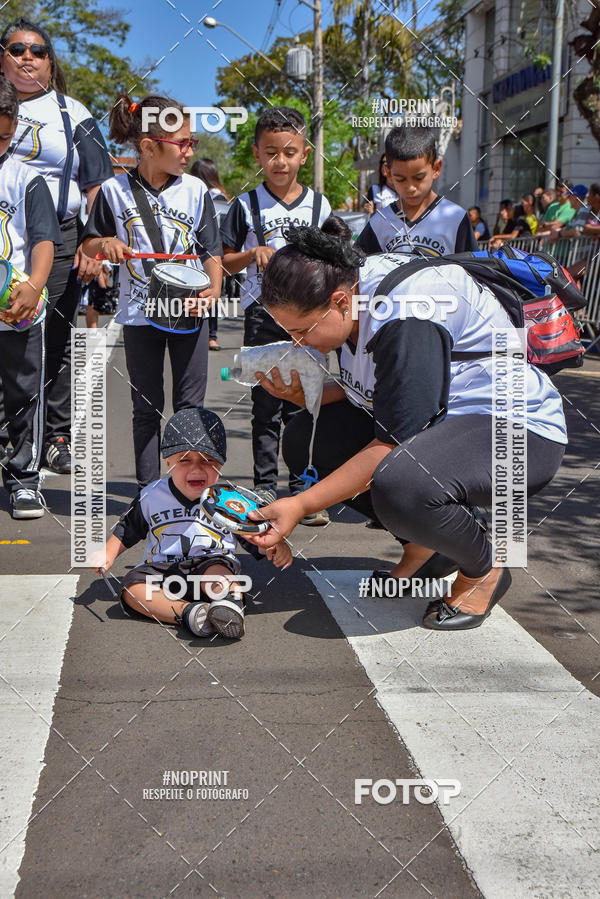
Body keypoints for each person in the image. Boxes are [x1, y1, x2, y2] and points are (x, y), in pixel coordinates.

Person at [243, 217, 567, 631]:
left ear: (340, 302)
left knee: (402, 483)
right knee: (308, 437)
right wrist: (305, 395)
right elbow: (383, 392)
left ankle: (484, 569)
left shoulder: (407, 315)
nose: (298, 343)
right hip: (452, 423)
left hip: (518, 433)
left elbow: (395, 441)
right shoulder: (353, 291)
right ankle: (426, 549)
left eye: (301, 331)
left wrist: (300, 504)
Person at [81, 93, 223, 490]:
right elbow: (89, 244)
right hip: (139, 314)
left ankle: (188, 490)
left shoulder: (196, 190)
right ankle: (146, 492)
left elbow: (211, 249)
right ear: (148, 146)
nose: (189, 151)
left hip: (190, 312)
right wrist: (105, 244)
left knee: (190, 407)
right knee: (145, 407)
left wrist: (214, 288)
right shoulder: (114, 191)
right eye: (183, 143)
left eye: (192, 142)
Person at [0, 17, 113, 474]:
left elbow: (98, 184)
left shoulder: (71, 112)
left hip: (58, 238)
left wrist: (94, 243)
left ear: (50, 62)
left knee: (52, 337)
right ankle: (10, 435)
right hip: (4, 235)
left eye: (38, 50)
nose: (27, 57)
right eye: (16, 49)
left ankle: (55, 437)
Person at [220, 105, 332, 525]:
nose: (280, 161)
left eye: (289, 152)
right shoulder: (245, 205)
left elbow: (336, 262)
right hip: (262, 317)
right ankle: (265, 485)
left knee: (305, 402)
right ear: (257, 154)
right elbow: (223, 261)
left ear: (305, 154)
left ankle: (302, 485)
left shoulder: (320, 207)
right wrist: (252, 254)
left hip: (310, 321)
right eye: (271, 153)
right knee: (265, 404)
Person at [98, 408, 292, 640]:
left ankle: (229, 604)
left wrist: (274, 544)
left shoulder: (229, 499)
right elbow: (128, 529)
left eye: (208, 460)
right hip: (162, 569)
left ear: (220, 464)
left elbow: (254, 534)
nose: (197, 468)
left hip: (210, 563)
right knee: (132, 588)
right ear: (168, 462)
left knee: (219, 571)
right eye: (184, 459)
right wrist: (108, 553)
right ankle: (189, 613)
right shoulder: (151, 495)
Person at [0, 75, 60, 518]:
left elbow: (43, 240)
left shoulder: (27, 179)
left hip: (18, 309)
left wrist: (35, 284)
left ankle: (24, 479)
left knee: (24, 396)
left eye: (3, 137)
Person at [356, 126, 477, 256]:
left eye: (419, 178)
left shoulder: (455, 218)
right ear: (388, 173)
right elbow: (357, 266)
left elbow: (474, 266)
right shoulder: (379, 223)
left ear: (436, 168)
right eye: (401, 179)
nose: (410, 188)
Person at [189, 158, 228, 351]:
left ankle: (210, 335)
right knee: (208, 293)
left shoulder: (213, 196)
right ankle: (209, 335)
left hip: (206, 252)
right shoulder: (220, 196)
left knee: (209, 291)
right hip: (210, 251)